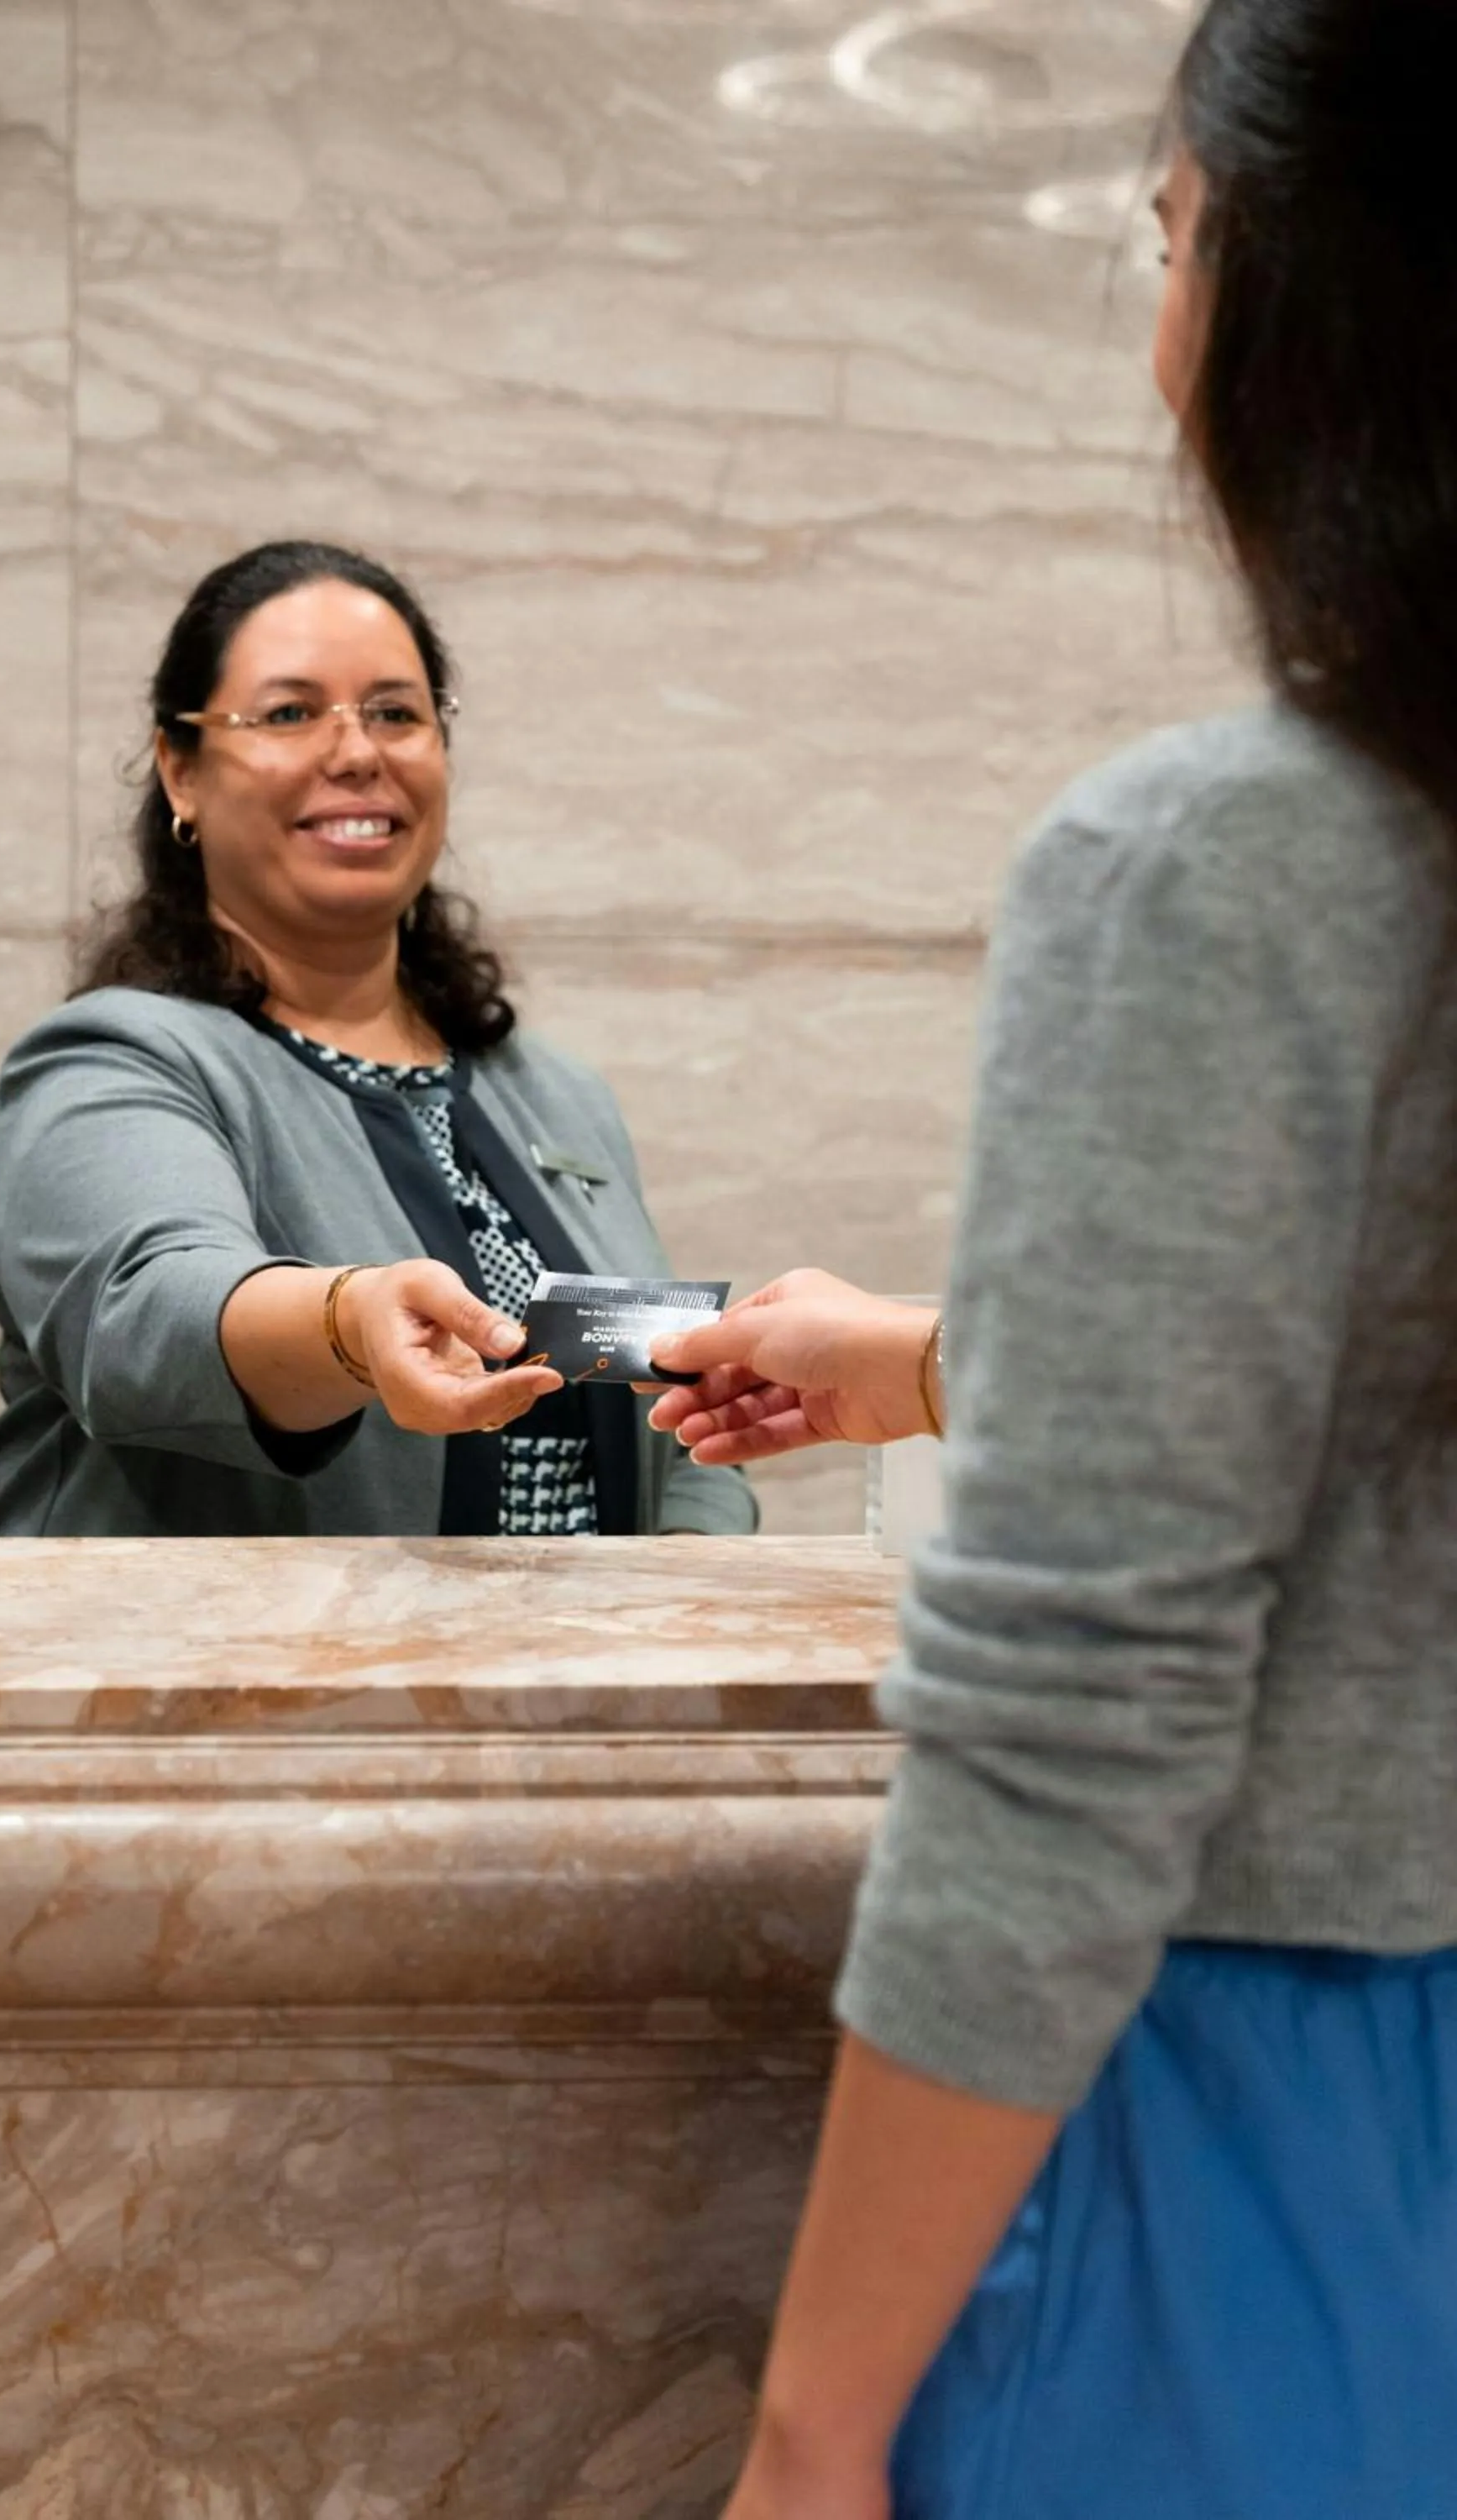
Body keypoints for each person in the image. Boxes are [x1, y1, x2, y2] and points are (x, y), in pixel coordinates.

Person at [651, 1, 1457, 2510]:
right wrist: (913, 1358)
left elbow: (1079, 1711)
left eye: (1172, 236)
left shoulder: (1224, 867)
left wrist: (811, 2421)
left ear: (1308, 308)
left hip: (1285, 2130)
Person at [0, 539, 754, 1541]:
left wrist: (688, 1589)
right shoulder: (107, 1061)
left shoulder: (551, 1092)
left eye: (394, 713)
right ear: (181, 771)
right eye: (291, 713)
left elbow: (670, 1418)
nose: (355, 753)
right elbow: (143, 1318)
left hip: (565, 1690)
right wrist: (346, 1324)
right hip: (221, 1692)